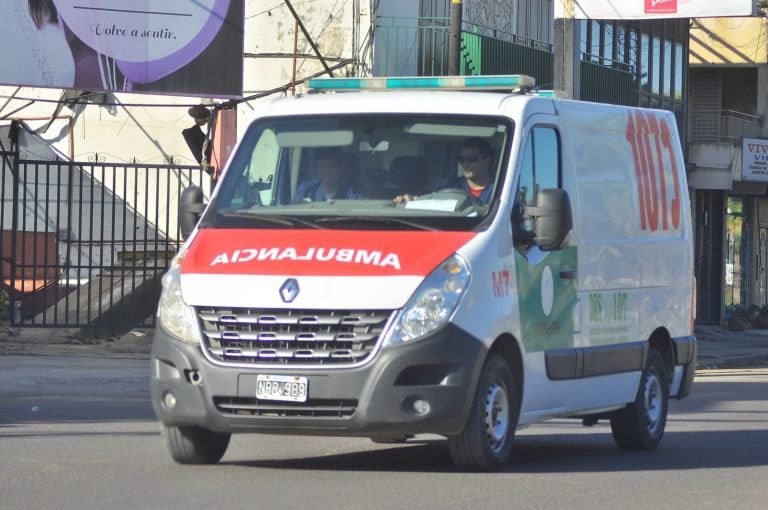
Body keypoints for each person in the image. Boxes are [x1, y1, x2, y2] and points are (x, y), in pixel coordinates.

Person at [292, 148, 361, 202]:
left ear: (342, 166)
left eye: (331, 167)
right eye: (322, 167)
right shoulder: (305, 190)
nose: (327, 172)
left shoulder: (354, 195)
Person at [445, 137, 495, 203]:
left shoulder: (500, 189)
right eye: (462, 159)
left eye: (472, 158)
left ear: (487, 161)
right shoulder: (452, 187)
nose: (465, 164)